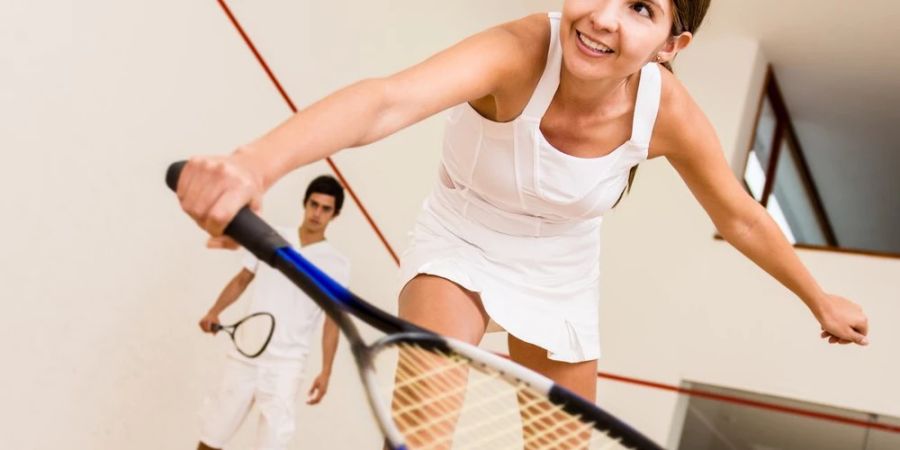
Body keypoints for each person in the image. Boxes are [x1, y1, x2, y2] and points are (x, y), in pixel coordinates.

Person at [175, 0, 868, 427]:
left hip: (560, 270)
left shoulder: (668, 113)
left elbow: (740, 215)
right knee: (427, 430)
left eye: (641, 9)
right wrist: (252, 163)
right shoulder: (517, 52)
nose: (603, 17)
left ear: (670, 44)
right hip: (460, 238)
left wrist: (818, 296)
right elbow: (385, 101)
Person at [196, 175, 351, 450]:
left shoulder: (337, 264)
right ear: (305, 204)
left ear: (335, 215)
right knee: (210, 439)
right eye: (313, 204)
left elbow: (332, 321)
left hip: (286, 367)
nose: (317, 213)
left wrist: (326, 371)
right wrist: (214, 311)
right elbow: (243, 278)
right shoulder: (271, 239)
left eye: (325, 209)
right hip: (244, 354)